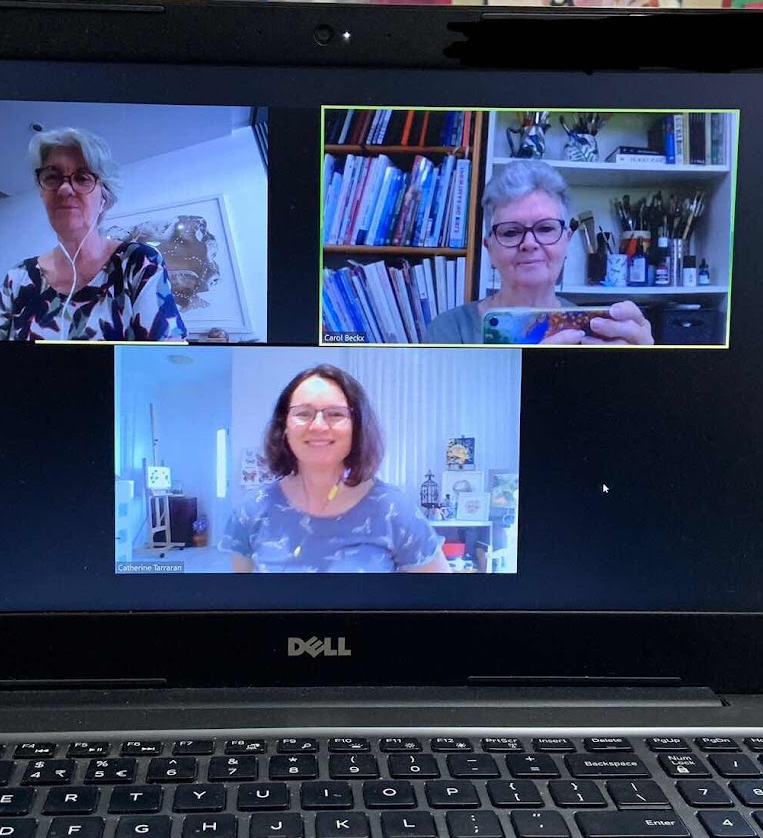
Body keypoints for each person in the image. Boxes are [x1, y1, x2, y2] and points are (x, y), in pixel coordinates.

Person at [223, 365, 448, 573]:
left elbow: (442, 596)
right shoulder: (251, 509)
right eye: (303, 413)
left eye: (336, 414)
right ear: (284, 426)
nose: (318, 426)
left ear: (357, 427)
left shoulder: (395, 510)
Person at [0, 127, 187, 341]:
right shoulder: (18, 279)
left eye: (82, 178)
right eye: (52, 177)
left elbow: (165, 357)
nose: (64, 189)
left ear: (104, 199)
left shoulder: (138, 264)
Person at [424, 160, 654, 345]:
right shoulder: (449, 331)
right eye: (511, 232)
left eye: (545, 229)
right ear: (490, 250)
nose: (529, 243)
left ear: (566, 241)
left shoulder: (596, 330)